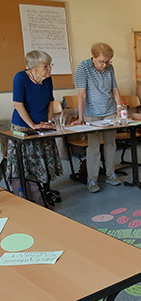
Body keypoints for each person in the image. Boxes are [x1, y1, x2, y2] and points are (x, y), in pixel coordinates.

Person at [6, 50, 63, 205]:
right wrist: (33, 126)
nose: (49, 69)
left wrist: (49, 122)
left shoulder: (47, 80)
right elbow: (18, 104)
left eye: (50, 65)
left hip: (43, 125)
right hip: (24, 126)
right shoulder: (20, 78)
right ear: (33, 67)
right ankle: (31, 191)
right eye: (45, 66)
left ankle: (45, 190)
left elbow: (50, 101)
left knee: (46, 157)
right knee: (29, 161)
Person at [72, 43, 122, 193]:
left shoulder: (109, 68)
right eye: (102, 62)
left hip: (109, 111)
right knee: (94, 146)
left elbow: (115, 89)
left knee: (110, 143)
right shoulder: (83, 68)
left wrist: (119, 107)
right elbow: (81, 94)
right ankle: (92, 179)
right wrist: (80, 117)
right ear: (93, 57)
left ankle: (110, 174)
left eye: (108, 61)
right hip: (92, 113)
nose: (105, 65)